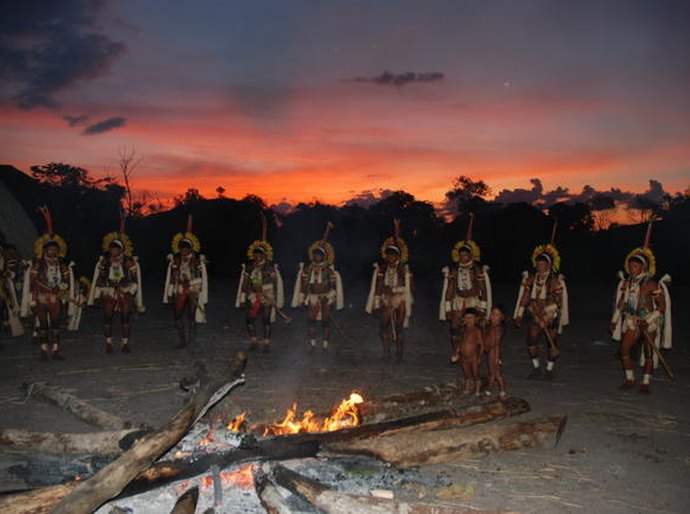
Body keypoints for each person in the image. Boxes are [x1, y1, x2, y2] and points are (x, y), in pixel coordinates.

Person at [610, 221, 671, 394]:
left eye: (636, 266)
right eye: (631, 266)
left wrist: (648, 320)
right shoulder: (626, 282)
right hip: (631, 321)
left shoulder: (652, 284)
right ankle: (630, 379)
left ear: (643, 267)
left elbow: (662, 306)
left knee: (648, 352)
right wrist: (615, 320)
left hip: (648, 321)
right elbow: (621, 303)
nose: (632, 268)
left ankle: (645, 383)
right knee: (624, 350)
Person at [513, 222, 569, 380]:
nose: (540, 267)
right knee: (531, 339)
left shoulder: (555, 280)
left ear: (549, 265)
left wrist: (547, 314)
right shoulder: (531, 278)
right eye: (538, 264)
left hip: (550, 314)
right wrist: (519, 313)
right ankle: (536, 367)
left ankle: (549, 369)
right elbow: (525, 296)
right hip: (534, 313)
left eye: (543, 264)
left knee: (552, 340)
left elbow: (558, 300)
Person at [20, 207, 76, 360]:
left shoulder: (61, 263)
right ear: (45, 250)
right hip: (41, 295)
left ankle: (56, 350)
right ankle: (44, 350)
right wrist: (38, 289)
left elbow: (66, 279)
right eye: (50, 249)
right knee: (43, 324)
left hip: (55, 295)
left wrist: (61, 287)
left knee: (56, 324)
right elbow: (32, 279)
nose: (53, 252)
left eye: (55, 249)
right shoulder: (38, 263)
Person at [439, 213, 492, 363]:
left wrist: (482, 308)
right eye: (461, 255)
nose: (463, 258)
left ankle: (478, 353)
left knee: (476, 328)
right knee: (454, 328)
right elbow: (450, 289)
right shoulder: (454, 270)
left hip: (473, 302)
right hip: (458, 301)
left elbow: (483, 290)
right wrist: (448, 307)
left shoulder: (477, 270)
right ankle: (459, 353)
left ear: (471, 256)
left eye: (466, 255)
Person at [88, 221, 144, 353]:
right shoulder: (105, 261)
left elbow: (135, 279)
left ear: (121, 250)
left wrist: (125, 286)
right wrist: (108, 283)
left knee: (125, 317)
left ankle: (125, 343)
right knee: (107, 317)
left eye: (115, 249)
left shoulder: (128, 261)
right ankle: (109, 343)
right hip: (109, 290)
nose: (113, 251)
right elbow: (100, 278)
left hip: (124, 289)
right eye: (111, 249)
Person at [365, 219, 413, 363]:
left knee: (399, 328)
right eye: (388, 255)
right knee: (382, 326)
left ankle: (399, 355)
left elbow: (411, 287)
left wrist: (397, 229)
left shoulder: (403, 269)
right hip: (386, 299)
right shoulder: (382, 268)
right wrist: (376, 302)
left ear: (398, 256)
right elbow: (378, 286)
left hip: (400, 299)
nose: (389, 257)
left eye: (392, 255)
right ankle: (386, 353)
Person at [291, 222, 344, 351]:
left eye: (319, 254)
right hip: (312, 296)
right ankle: (312, 344)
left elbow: (333, 287)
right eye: (315, 254)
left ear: (324, 256)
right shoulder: (308, 269)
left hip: (326, 296)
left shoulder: (329, 270)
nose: (316, 256)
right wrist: (302, 299)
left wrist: (329, 297)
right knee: (311, 320)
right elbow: (304, 286)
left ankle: (325, 345)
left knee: (325, 321)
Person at [235, 216, 284, 352]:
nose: (256, 258)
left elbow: (275, 282)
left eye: (259, 256)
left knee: (266, 320)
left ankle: (267, 343)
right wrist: (243, 297)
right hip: (253, 295)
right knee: (249, 319)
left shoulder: (270, 267)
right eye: (255, 256)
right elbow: (245, 283)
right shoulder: (249, 268)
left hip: (267, 295)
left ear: (263, 256)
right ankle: (254, 341)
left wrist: (271, 295)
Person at [163, 215, 208, 349]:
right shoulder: (175, 260)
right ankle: (182, 339)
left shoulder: (196, 261)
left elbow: (201, 277)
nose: (184, 250)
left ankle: (191, 339)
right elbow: (171, 276)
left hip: (193, 289)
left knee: (191, 315)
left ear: (190, 249)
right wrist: (177, 283)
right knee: (177, 315)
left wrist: (191, 283)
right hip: (180, 289)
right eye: (182, 248)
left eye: (186, 248)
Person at [0, 233, 24, 339]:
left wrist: (10, 274)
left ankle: (13, 325)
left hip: (4, 284)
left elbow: (13, 268)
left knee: (11, 304)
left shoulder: (7, 252)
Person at [458, 308, 483, 395]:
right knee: (467, 373)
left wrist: (479, 356)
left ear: (476, 319)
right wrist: (457, 353)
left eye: (471, 318)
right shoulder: (464, 330)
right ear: (463, 319)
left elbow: (481, 344)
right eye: (467, 317)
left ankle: (477, 389)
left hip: (474, 356)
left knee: (476, 373)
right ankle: (468, 386)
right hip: (464, 357)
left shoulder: (477, 330)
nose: (469, 320)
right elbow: (461, 342)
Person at [483, 305, 507, 398]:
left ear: (502, 317)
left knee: (494, 374)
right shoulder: (491, 326)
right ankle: (502, 392)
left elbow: (496, 344)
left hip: (494, 353)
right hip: (491, 352)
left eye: (497, 315)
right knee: (496, 374)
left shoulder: (497, 329)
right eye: (492, 314)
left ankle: (489, 392)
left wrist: (497, 357)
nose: (493, 316)